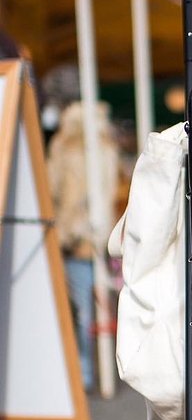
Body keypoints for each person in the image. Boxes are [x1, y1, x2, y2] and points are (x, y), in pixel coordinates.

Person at [47, 101, 119, 391]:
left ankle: (85, 372)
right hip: (94, 239)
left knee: (81, 312)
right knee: (92, 311)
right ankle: (88, 371)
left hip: (76, 240)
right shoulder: (103, 150)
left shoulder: (65, 149)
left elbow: (53, 190)